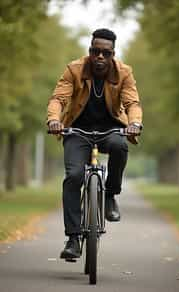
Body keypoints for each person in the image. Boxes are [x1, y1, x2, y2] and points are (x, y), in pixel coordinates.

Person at [47, 28, 143, 259]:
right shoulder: (74, 69)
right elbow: (58, 99)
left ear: (112, 54)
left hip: (110, 129)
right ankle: (73, 238)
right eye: (95, 51)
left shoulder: (124, 73)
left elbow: (132, 103)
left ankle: (110, 195)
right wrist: (53, 120)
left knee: (120, 146)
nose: (100, 56)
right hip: (77, 131)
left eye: (105, 53)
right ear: (89, 51)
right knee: (74, 176)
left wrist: (135, 123)